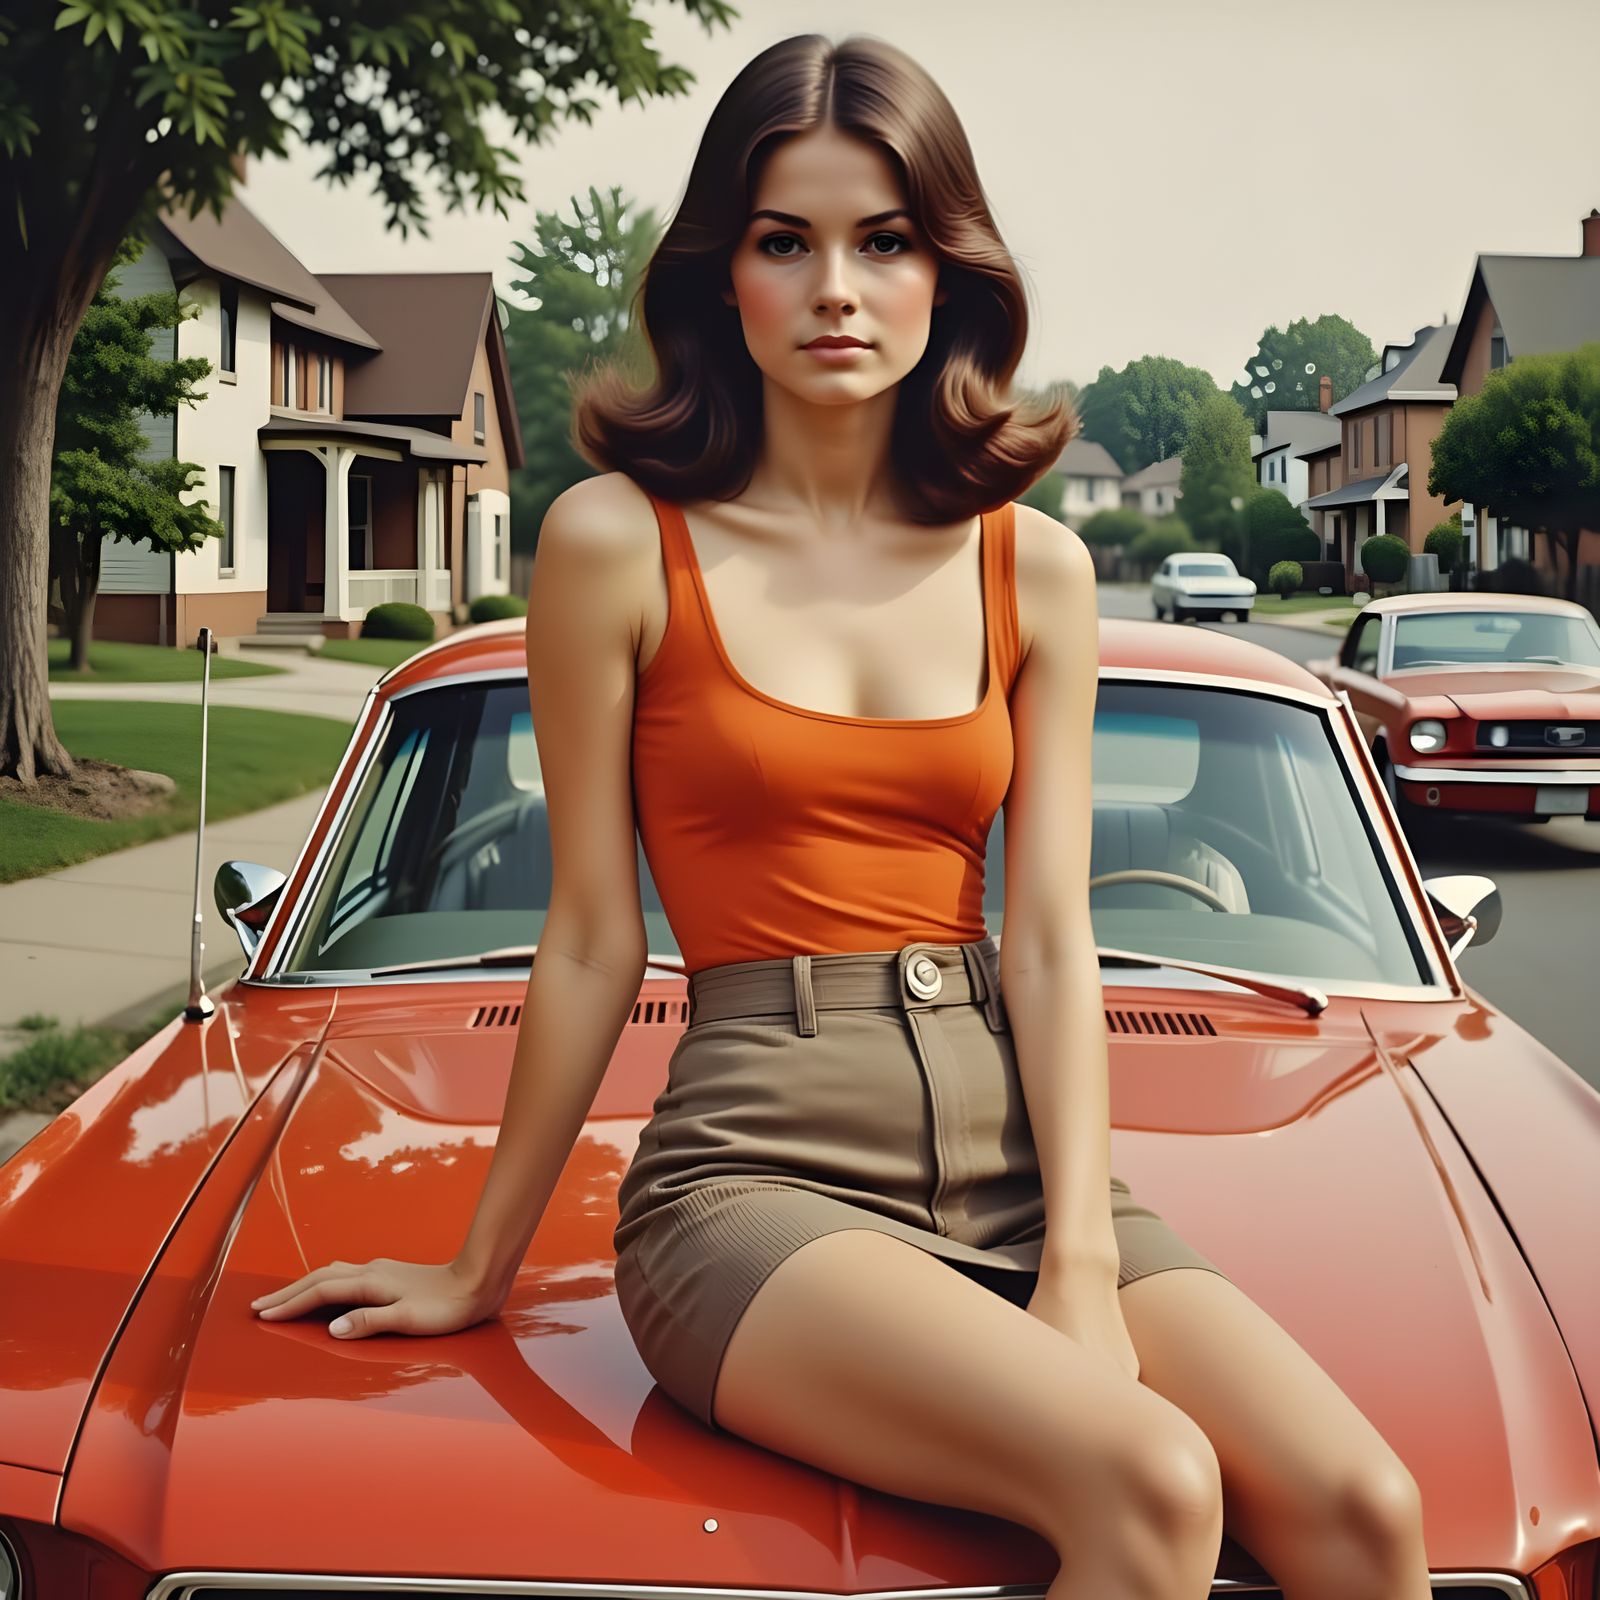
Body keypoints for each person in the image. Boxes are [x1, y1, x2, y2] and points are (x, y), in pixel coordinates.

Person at [249, 32, 1432, 1600]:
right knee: (1150, 1485)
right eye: (783, 241)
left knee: (1369, 1511)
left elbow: (1057, 936)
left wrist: (1080, 1253)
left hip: (1017, 1151)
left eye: (884, 243)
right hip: (757, 1173)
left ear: (948, 271)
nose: (835, 292)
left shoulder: (1039, 569)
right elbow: (594, 935)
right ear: (720, 275)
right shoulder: (615, 543)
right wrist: (481, 1261)